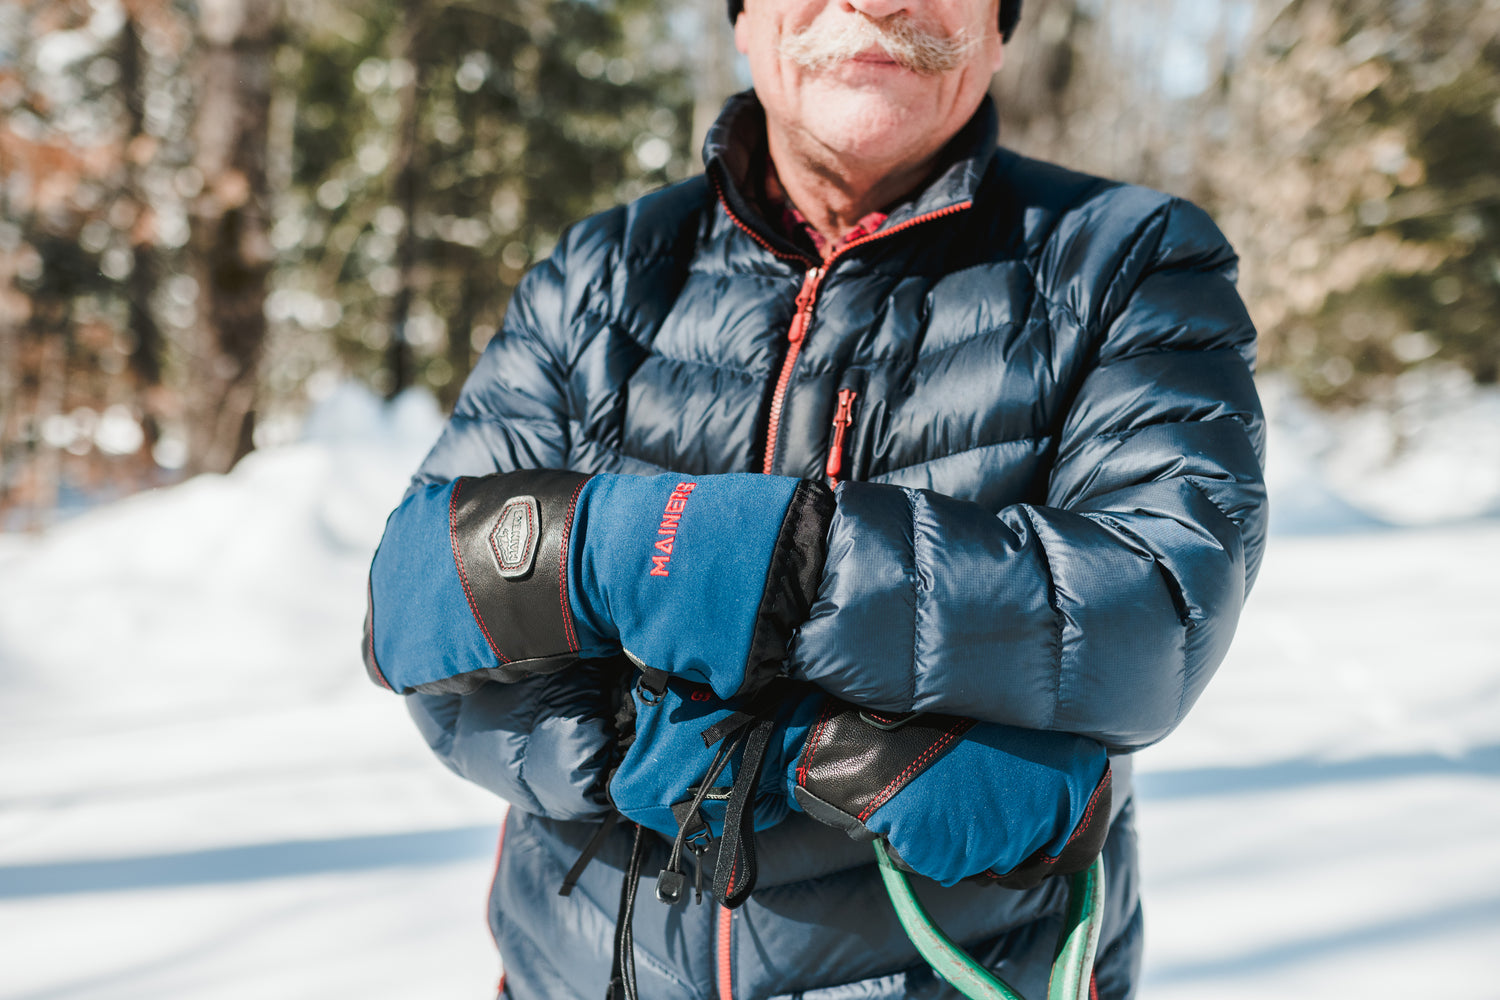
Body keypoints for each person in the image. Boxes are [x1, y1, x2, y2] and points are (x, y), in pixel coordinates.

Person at [361, 1, 1268, 997]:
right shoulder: (599, 271)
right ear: (744, 20)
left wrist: (694, 569)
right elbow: (417, 605)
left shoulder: (1131, 261)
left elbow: (1150, 615)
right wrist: (699, 738)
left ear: (999, 27)